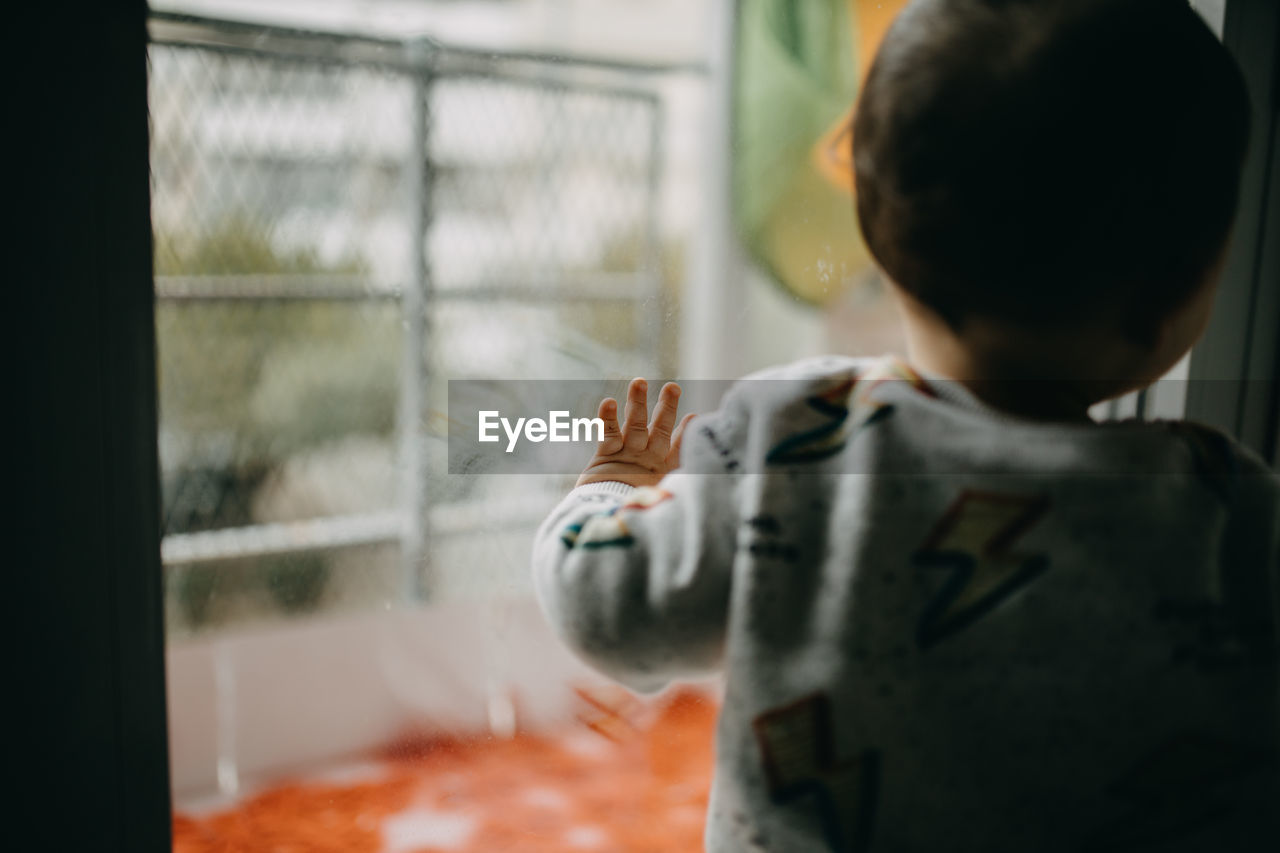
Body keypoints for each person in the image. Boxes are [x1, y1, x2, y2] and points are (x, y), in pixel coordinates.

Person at [531, 1, 1279, 849]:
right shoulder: (1229, 516)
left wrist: (613, 485)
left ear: (877, 236)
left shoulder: (793, 440)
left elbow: (609, 608)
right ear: (1181, 293)